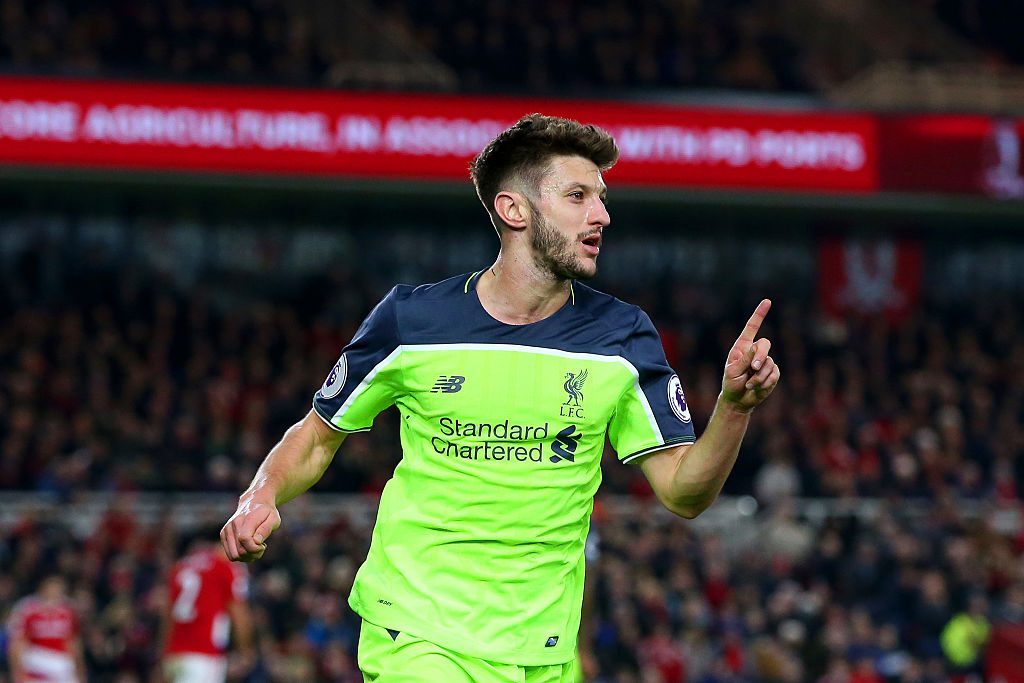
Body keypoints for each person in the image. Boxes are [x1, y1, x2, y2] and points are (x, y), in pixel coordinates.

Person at [220, 113, 781, 682]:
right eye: (578, 195)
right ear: (515, 210)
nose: (601, 215)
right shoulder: (413, 322)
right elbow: (318, 437)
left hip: (545, 653)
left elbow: (685, 493)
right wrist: (261, 494)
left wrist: (734, 409)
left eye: (602, 199)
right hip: (417, 632)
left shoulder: (623, 338)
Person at [161, 527, 254, 683]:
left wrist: (164, 652)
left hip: (174, 653)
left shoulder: (181, 566)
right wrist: (245, 651)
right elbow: (238, 613)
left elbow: (168, 615)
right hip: (203, 655)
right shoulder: (224, 567)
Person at [6, 575, 86, 683]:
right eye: (51, 589)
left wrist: (80, 670)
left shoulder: (68, 611)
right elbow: (17, 643)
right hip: (36, 663)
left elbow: (72, 642)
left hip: (62, 664)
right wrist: (17, 673)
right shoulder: (28, 609)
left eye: (58, 590)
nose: (54, 593)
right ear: (42, 589)